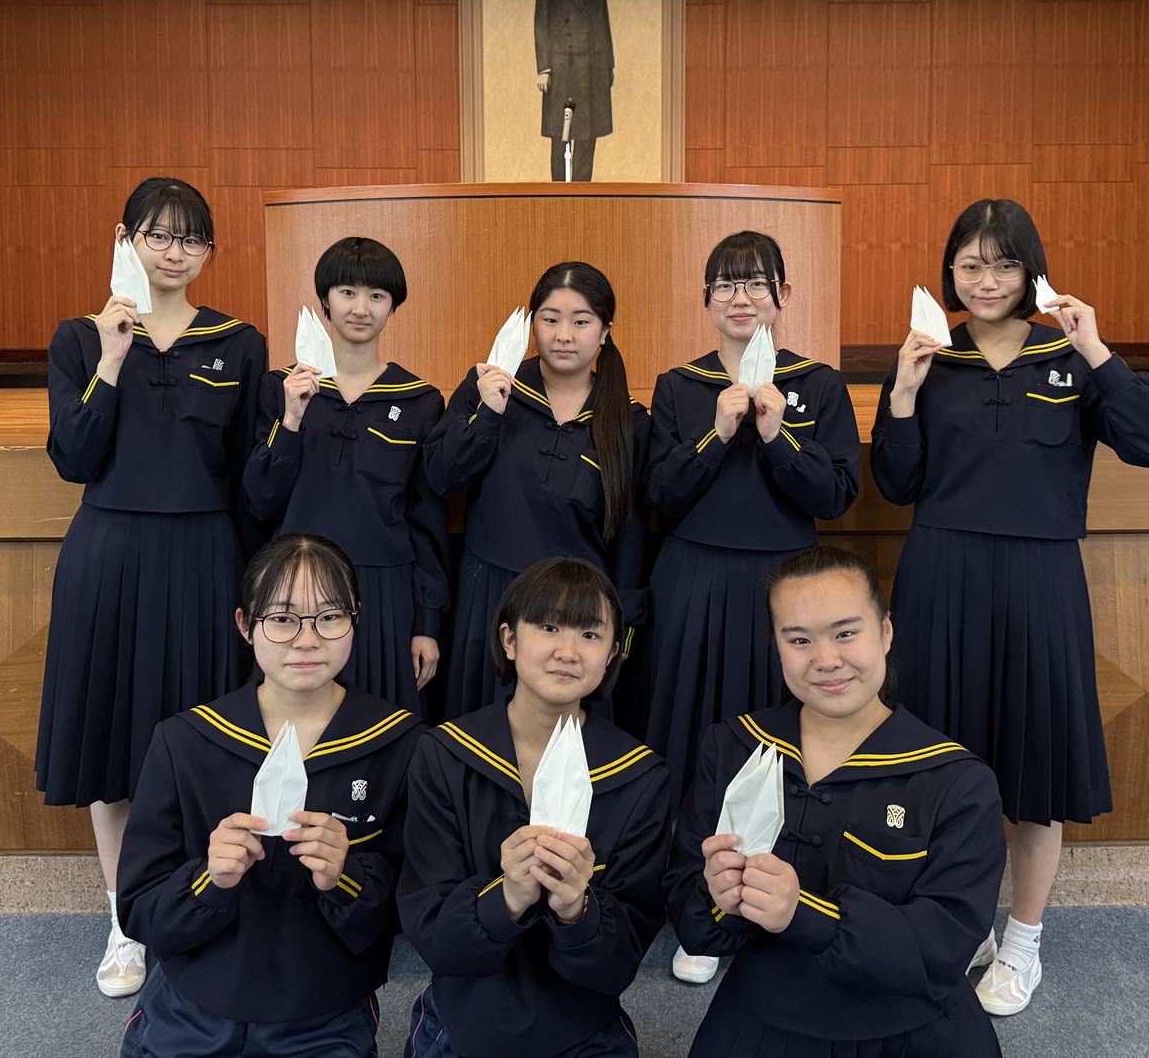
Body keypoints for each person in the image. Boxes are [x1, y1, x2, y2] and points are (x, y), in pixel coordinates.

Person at [871, 198, 1149, 1015]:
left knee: (1036, 769)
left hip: (1040, 582)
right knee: (939, 765)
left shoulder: (1070, 356)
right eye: (970, 265)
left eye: (1004, 264)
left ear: (1031, 270)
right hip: (940, 578)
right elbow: (897, 484)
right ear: (950, 272)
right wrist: (902, 394)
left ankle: (1023, 942)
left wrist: (1099, 350)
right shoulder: (930, 355)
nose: (986, 280)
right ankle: (963, 922)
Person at [37, 176, 266, 998]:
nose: (175, 251)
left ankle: (204, 904)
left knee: (206, 740)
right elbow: (74, 457)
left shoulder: (239, 343)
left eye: (191, 238)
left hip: (205, 558)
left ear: (208, 251)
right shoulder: (80, 337)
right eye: (158, 235)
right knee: (115, 744)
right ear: (125, 238)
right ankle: (124, 921)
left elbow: (249, 480)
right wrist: (111, 356)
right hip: (110, 558)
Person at [666, 545, 1006, 1058]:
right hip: (764, 1018)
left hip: (907, 1032)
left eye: (846, 633)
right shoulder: (734, 746)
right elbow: (693, 923)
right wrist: (718, 899)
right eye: (799, 640)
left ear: (885, 632)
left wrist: (802, 913)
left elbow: (943, 948)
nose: (825, 660)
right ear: (777, 646)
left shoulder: (955, 780)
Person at [637, 231, 861, 984]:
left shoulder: (818, 385)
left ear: (783, 295)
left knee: (778, 740)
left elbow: (835, 494)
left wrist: (775, 434)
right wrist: (717, 431)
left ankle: (773, 893)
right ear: (705, 299)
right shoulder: (680, 385)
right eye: (726, 285)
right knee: (689, 736)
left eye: (757, 283)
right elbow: (660, 494)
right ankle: (698, 908)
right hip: (693, 581)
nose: (742, 298)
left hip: (785, 586)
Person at [116, 533, 421, 1057]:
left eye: (330, 617)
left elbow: (413, 907)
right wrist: (208, 879)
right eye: (282, 619)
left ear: (356, 620)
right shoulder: (186, 740)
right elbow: (140, 908)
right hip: (195, 999)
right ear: (245, 625)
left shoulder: (399, 742)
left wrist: (345, 877)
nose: (307, 640)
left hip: (323, 1006)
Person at [399, 558, 669, 1058]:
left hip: (585, 1027)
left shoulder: (640, 776)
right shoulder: (445, 754)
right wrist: (506, 897)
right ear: (509, 639)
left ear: (613, 653)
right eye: (548, 627)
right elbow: (433, 935)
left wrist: (576, 910)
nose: (567, 651)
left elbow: (621, 962)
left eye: (590, 635)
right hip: (462, 1019)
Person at [423, 262, 649, 718]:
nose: (564, 335)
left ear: (604, 332)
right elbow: (442, 479)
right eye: (550, 319)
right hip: (490, 597)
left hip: (577, 608)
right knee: (481, 728)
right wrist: (488, 414)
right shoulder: (489, 386)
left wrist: (622, 628)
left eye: (581, 322)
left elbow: (630, 534)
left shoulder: (628, 420)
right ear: (533, 326)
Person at [244, 237, 449, 712]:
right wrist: (291, 419)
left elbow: (426, 520)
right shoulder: (281, 388)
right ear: (325, 300)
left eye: (377, 295)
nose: (361, 308)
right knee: (293, 719)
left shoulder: (419, 400)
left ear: (393, 306)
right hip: (294, 585)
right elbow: (260, 500)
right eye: (348, 293)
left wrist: (427, 623)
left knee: (381, 723)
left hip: (385, 591)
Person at [534, 0, 614, 181]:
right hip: (562, 71)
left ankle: (583, 192)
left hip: (592, 71)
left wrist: (609, 66)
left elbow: (603, 25)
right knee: (562, 134)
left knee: (588, 135)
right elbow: (541, 26)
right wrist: (544, 68)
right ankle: (558, 192)